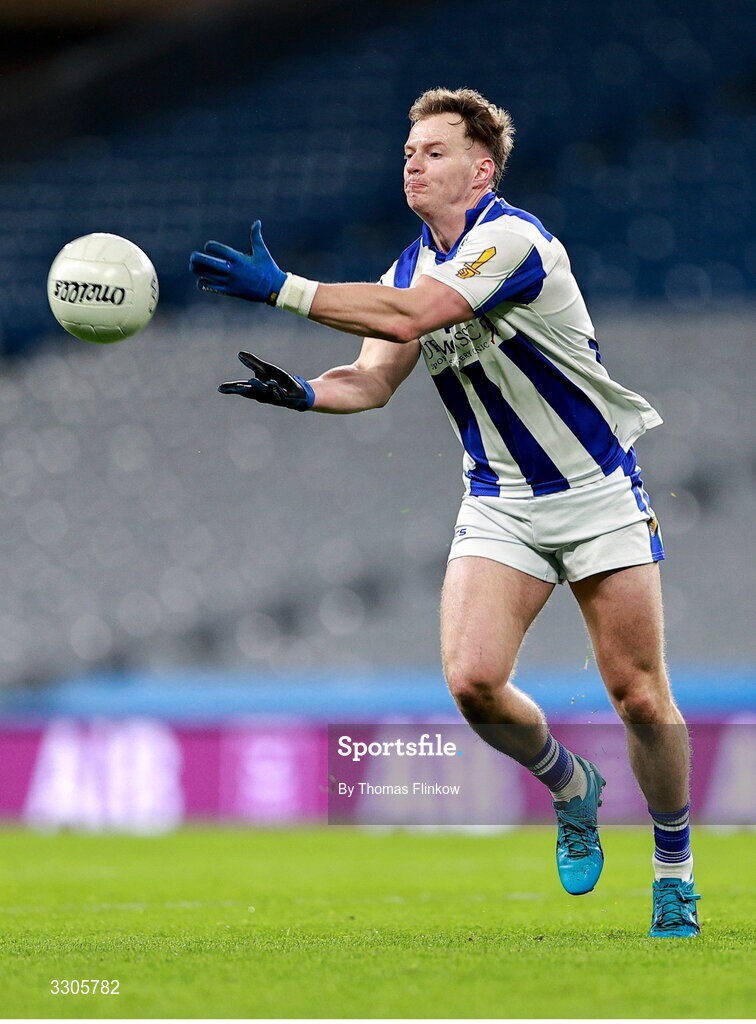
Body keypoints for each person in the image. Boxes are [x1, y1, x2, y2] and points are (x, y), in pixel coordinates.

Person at [189, 87, 700, 937]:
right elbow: (374, 379)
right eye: (407, 152)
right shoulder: (402, 267)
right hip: (500, 501)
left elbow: (424, 314)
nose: (413, 164)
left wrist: (285, 290)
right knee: (472, 685)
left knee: (641, 697)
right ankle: (574, 787)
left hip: (598, 492)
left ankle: (674, 869)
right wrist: (307, 391)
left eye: (432, 150)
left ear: (481, 167)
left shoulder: (513, 240)